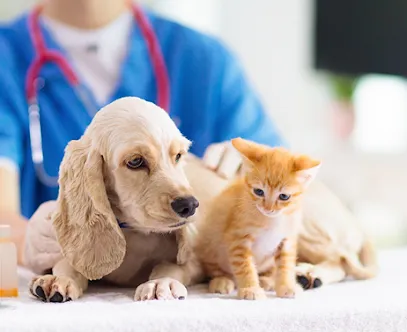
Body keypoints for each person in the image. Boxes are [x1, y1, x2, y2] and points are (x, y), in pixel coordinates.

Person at [0, 0, 284, 266]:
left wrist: (257, 173)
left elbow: (293, 192)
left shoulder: (205, 62)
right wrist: (30, 241)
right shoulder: (7, 58)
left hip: (182, 287)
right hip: (58, 295)